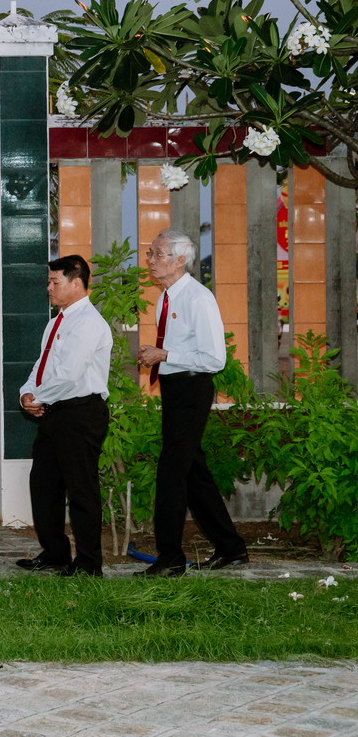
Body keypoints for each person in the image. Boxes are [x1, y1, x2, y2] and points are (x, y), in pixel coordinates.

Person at [138, 230, 247, 576]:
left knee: (171, 471)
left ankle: (170, 557)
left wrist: (165, 354)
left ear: (180, 260)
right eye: (150, 254)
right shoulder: (166, 297)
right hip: (174, 389)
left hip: (192, 388)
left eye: (157, 254)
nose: (150, 260)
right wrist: (161, 355)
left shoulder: (198, 298)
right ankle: (231, 548)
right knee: (193, 471)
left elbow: (214, 359)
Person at [18, 255, 113, 577]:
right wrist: (26, 393)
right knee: (44, 485)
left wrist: (38, 397)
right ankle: (55, 553)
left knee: (81, 490)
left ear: (76, 284)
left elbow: (70, 374)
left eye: (54, 282)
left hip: (81, 412)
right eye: (49, 281)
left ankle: (88, 563)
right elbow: (42, 365)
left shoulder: (88, 323)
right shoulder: (56, 321)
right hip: (54, 412)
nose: (49, 287)